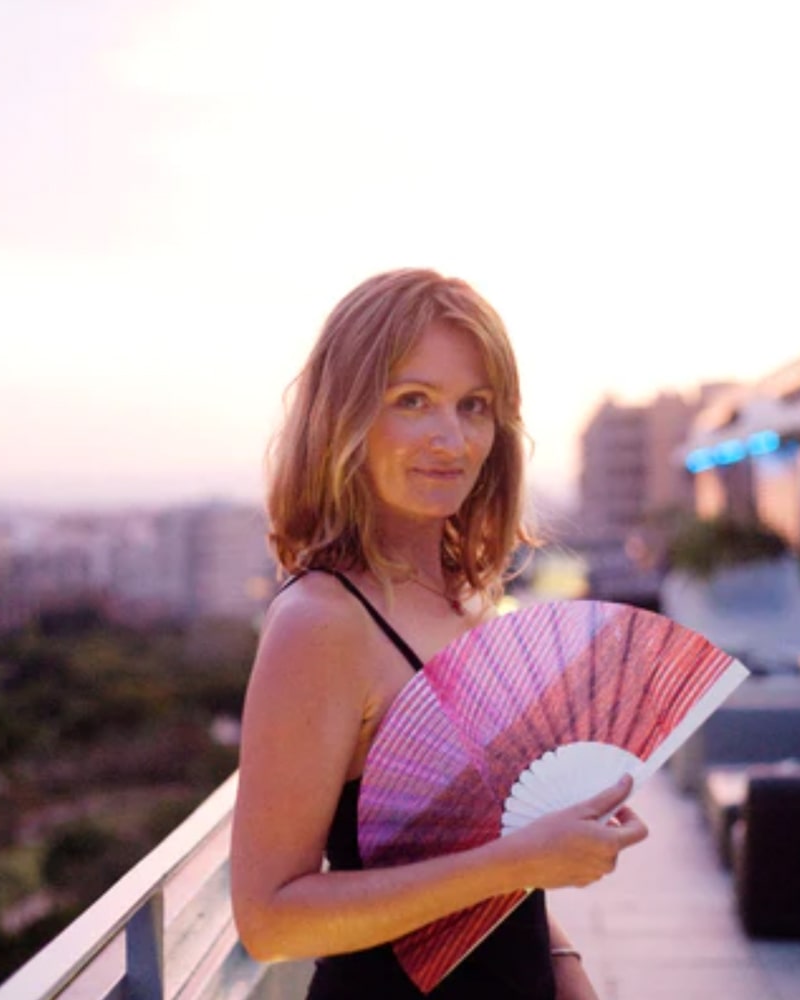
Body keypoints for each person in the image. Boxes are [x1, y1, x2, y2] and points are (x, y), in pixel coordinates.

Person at [230, 268, 649, 999]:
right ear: (345, 419)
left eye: (474, 406)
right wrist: (522, 862)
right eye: (412, 401)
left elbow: (490, 870)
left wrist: (566, 970)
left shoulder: (470, 599)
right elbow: (270, 919)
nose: (450, 438)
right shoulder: (321, 623)